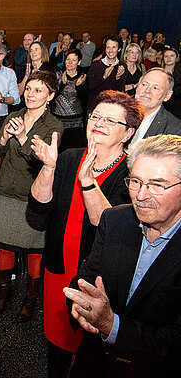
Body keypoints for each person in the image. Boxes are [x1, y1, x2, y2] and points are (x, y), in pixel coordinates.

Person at [29, 90, 142, 378]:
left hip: (98, 277)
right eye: (95, 116)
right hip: (59, 268)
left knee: (92, 352)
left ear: (127, 133)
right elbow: (39, 206)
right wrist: (49, 167)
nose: (99, 123)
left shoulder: (131, 173)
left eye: (110, 120)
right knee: (57, 345)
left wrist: (89, 182)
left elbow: (109, 224)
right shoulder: (68, 157)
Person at [64, 134, 181, 377]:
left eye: (157, 185)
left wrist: (110, 324)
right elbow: (85, 277)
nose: (140, 195)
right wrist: (81, 304)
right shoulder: (115, 220)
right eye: (136, 181)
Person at [0, 70, 63, 322]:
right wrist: (6, 136)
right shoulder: (13, 115)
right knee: (5, 248)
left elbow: (37, 159)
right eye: (28, 89)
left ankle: (30, 301)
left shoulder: (53, 127)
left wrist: (21, 138)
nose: (31, 94)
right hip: (7, 192)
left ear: (50, 96)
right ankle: (3, 295)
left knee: (34, 252)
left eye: (39, 90)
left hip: (32, 197)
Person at [130, 68, 181, 146]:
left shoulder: (174, 129)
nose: (147, 90)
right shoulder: (118, 112)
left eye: (155, 88)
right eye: (144, 84)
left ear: (167, 96)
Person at [52, 49, 87, 129]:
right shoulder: (58, 75)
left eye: (74, 60)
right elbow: (51, 96)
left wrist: (79, 87)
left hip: (76, 119)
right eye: (68, 59)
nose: (70, 62)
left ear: (79, 62)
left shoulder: (83, 77)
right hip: (58, 118)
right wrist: (62, 85)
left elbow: (84, 100)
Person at [88, 36, 125, 110]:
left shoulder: (122, 66)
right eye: (108, 47)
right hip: (96, 106)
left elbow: (121, 92)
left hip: (112, 107)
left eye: (114, 47)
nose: (110, 50)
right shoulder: (96, 65)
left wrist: (117, 78)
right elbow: (89, 87)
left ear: (119, 49)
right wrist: (103, 77)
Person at [162, 48, 181, 118]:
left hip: (177, 104)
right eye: (166, 56)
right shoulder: (159, 72)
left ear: (176, 58)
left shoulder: (179, 72)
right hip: (162, 104)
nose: (169, 58)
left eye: (172, 56)